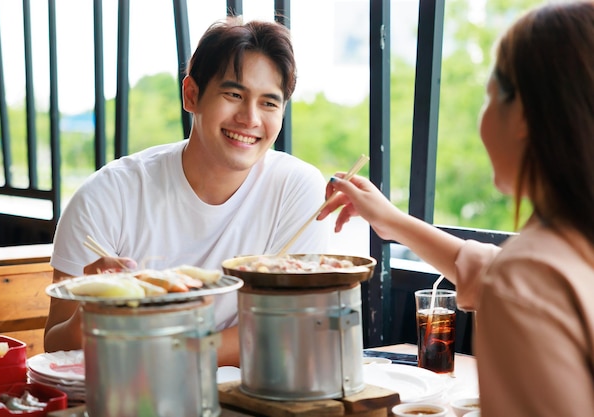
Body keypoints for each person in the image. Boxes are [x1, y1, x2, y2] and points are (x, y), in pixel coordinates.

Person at [318, 2, 594, 416]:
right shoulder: (566, 252)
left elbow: (515, 282)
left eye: (488, 97)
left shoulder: (527, 278)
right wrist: (391, 221)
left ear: (523, 114)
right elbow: (491, 271)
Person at [44, 17, 331, 366]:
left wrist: (158, 348)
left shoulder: (297, 189)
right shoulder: (107, 195)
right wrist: (96, 311)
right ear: (191, 95)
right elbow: (55, 345)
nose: (250, 118)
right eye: (234, 94)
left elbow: (290, 328)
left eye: (269, 103)